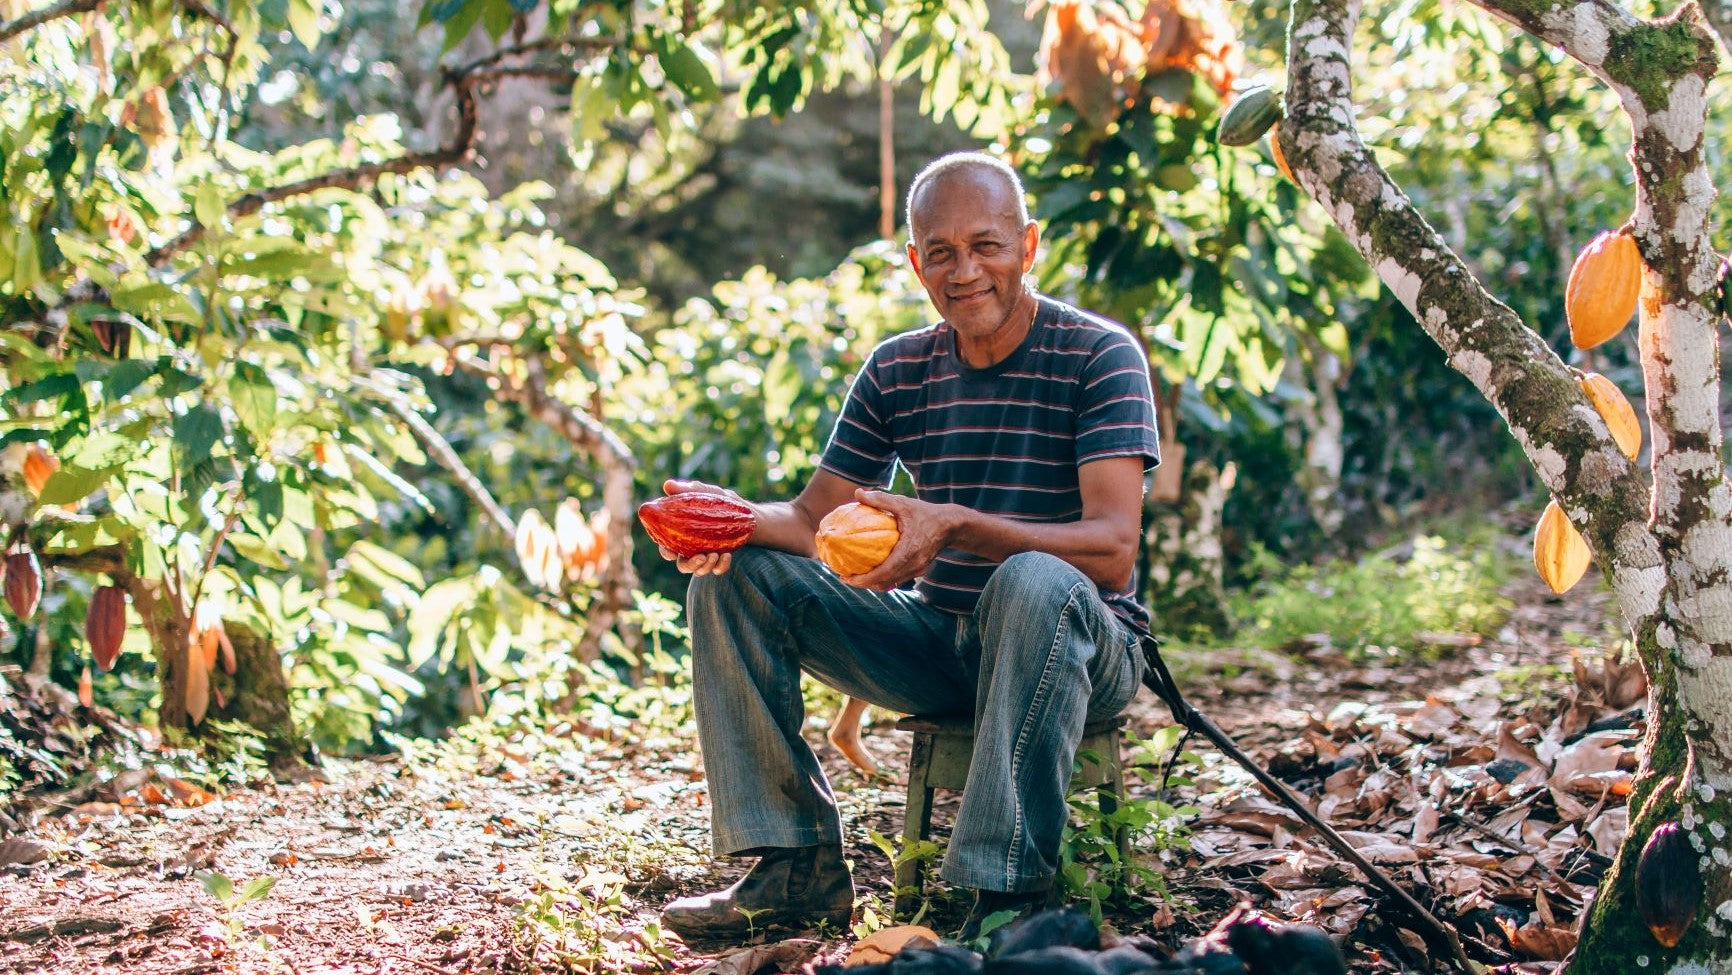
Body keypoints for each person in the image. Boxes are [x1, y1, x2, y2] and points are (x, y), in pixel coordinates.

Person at [656, 151, 1159, 941]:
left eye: (986, 245)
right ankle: (796, 867)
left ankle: (1004, 893)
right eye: (942, 252)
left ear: (1029, 247)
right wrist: (723, 526)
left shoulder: (1099, 355)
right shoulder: (898, 369)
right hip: (941, 641)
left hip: (1080, 644)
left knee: (1030, 579)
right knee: (733, 581)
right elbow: (813, 516)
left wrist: (954, 523)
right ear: (916, 263)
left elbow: (1112, 549)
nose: (965, 271)